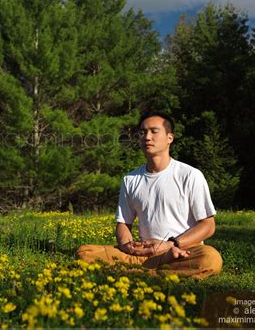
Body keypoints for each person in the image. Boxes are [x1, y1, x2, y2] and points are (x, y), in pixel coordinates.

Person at [76, 111, 222, 279]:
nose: (147, 137)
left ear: (170, 138)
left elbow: (208, 225)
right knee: (85, 252)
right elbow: (123, 223)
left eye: (154, 131)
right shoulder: (130, 179)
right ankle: (153, 272)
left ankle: (138, 274)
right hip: (143, 254)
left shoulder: (189, 175)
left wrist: (171, 244)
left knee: (210, 259)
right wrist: (127, 246)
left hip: (181, 251)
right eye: (142, 132)